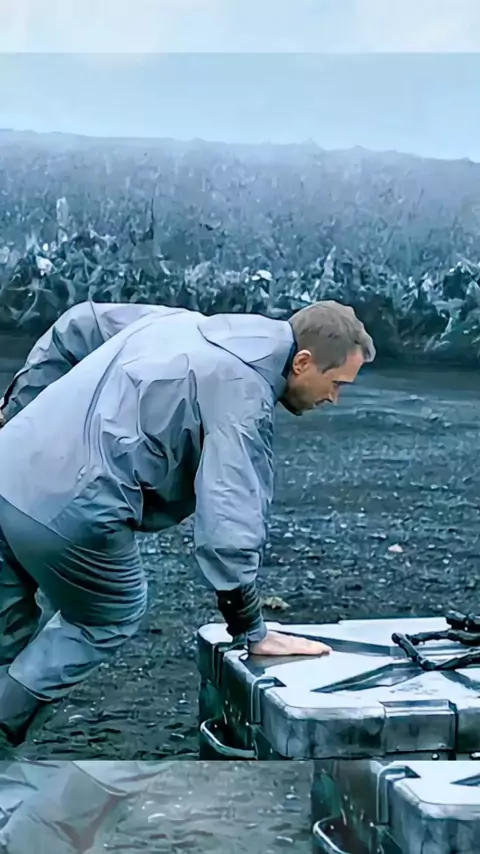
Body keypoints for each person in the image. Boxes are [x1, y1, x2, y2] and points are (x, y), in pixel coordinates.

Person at [0, 299, 375, 747]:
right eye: (336, 384)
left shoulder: (184, 323)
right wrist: (250, 627)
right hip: (71, 505)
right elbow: (230, 514)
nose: (334, 398)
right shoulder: (242, 390)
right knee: (108, 612)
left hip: (7, 466)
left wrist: (15, 412)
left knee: (6, 626)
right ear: (302, 362)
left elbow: (80, 324)